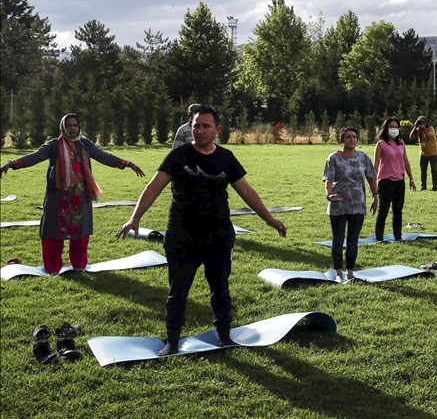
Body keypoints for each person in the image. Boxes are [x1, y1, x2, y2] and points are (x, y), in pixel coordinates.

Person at [115, 106, 287, 356]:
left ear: (217, 129)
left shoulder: (226, 157)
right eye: (196, 125)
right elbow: (153, 188)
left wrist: (269, 218)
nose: (200, 130)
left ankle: (225, 336)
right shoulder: (178, 156)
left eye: (206, 126)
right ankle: (172, 341)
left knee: (220, 288)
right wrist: (135, 218)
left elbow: (247, 191)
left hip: (218, 235)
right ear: (190, 127)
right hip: (182, 236)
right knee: (178, 291)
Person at [0, 114, 145, 274]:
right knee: (53, 235)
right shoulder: (54, 145)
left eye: (75, 125)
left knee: (80, 236)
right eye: (69, 125)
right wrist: (13, 163)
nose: (72, 128)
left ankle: (79, 267)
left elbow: (104, 157)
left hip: (81, 197)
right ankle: (53, 269)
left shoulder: (86, 144)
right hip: (58, 198)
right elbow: (34, 157)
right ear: (63, 127)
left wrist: (127, 163)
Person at [323, 127, 379, 282]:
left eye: (354, 137)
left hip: (358, 205)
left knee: (353, 240)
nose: (352, 139)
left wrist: (375, 196)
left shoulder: (363, 157)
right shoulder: (334, 158)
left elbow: (372, 178)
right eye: (348, 137)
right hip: (338, 205)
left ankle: (350, 272)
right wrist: (328, 195)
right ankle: (338, 273)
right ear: (342, 140)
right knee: (338, 239)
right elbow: (328, 180)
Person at [373, 117, 416, 243]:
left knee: (398, 210)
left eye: (396, 127)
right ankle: (379, 238)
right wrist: (373, 183)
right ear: (386, 129)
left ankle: (398, 236)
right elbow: (375, 165)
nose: (394, 129)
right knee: (383, 211)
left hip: (399, 181)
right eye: (391, 127)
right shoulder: (381, 144)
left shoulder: (401, 143)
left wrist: (411, 179)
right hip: (385, 182)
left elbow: (406, 162)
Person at [409, 116, 437, 191]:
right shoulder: (418, 129)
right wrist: (415, 127)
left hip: (433, 153)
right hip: (423, 154)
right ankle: (423, 186)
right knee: (423, 171)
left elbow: (429, 137)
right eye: (420, 122)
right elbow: (411, 137)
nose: (422, 123)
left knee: (434, 170)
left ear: (426, 122)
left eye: (423, 122)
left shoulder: (430, 128)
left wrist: (424, 129)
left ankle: (435, 186)